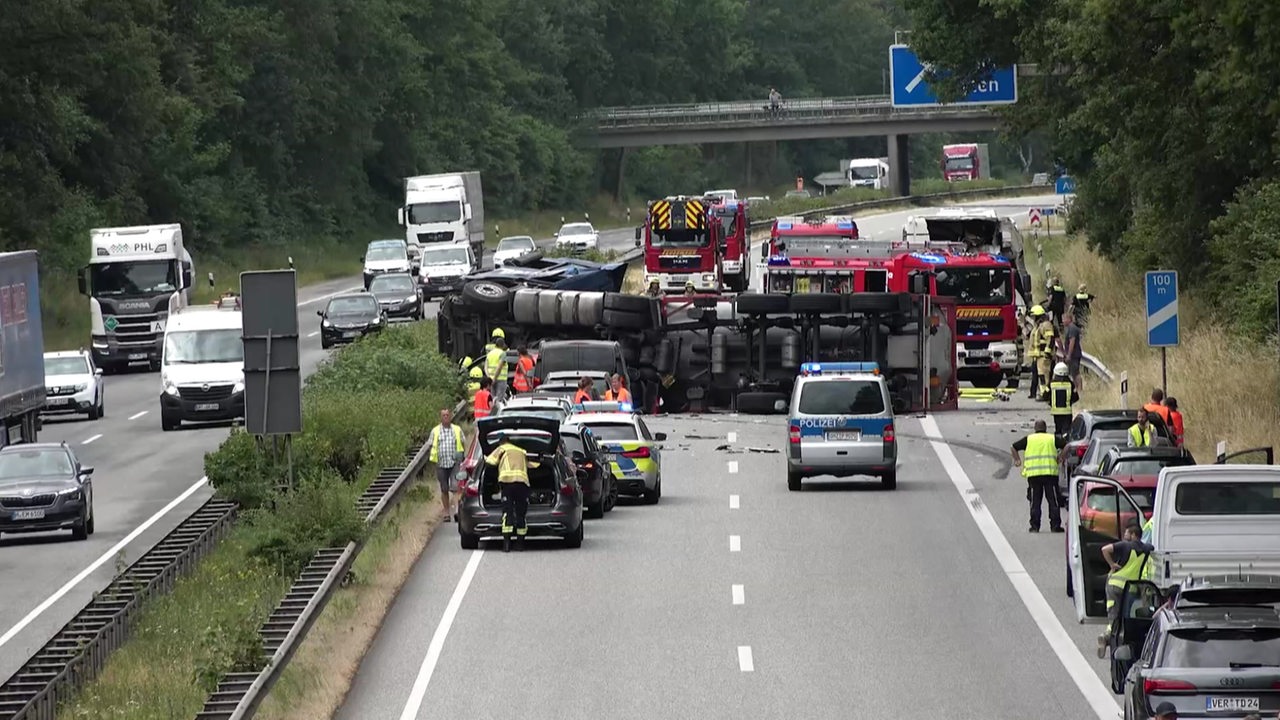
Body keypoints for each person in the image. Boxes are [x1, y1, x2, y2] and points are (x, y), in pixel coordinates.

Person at [1098, 523, 1155, 657]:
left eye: (1127, 533)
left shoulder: (1124, 545)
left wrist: (1112, 564)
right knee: (1125, 617)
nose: (1125, 535)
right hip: (1130, 589)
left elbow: (1104, 549)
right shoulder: (1147, 548)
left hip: (1114, 585)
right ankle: (1111, 639)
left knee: (1113, 616)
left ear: (1134, 535)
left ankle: (1110, 642)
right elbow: (1152, 548)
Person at [484, 429, 540, 552]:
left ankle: (507, 544)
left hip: (507, 483)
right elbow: (533, 465)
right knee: (521, 513)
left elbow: (490, 461)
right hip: (522, 484)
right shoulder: (521, 451)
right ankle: (520, 544)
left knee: (508, 513)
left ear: (501, 442)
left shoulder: (502, 449)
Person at [1011, 419, 1069, 533]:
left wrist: (1017, 460)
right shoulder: (1051, 438)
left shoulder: (1029, 439)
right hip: (1049, 474)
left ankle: (1034, 526)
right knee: (1053, 501)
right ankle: (1055, 526)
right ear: (1045, 428)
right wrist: (1061, 457)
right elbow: (1067, 446)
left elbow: (1013, 447)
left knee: (1035, 502)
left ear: (1035, 428)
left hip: (1034, 476)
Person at [427, 408, 465, 521]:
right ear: (440, 417)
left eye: (447, 415)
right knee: (444, 489)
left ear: (451, 416)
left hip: (455, 463)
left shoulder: (457, 430)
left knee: (456, 487)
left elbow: (463, 442)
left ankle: (458, 511)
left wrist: (462, 458)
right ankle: (446, 512)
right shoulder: (435, 431)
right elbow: (430, 445)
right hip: (441, 464)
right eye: (443, 415)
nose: (446, 417)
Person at [1048, 362, 1079, 436]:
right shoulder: (1071, 384)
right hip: (1067, 412)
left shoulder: (1051, 383)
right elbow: (1076, 397)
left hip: (1056, 412)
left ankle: (1058, 443)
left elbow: (1045, 395)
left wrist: (1051, 403)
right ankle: (1066, 444)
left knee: (1058, 429)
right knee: (1067, 430)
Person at [1026, 305, 1049, 399]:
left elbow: (1049, 340)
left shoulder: (1044, 326)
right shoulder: (1036, 326)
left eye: (1034, 316)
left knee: (1042, 376)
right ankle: (1033, 393)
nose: (1033, 318)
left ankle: (1045, 394)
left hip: (1042, 355)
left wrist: (1047, 352)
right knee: (1035, 375)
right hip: (1036, 355)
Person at [1062, 312, 1084, 388]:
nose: (1063, 321)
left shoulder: (1072, 329)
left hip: (1074, 354)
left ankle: (1079, 389)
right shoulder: (1070, 328)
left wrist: (1069, 355)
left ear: (1069, 319)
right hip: (1073, 354)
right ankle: (1076, 388)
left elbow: (1072, 342)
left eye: (1064, 319)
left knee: (1075, 373)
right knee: (1073, 373)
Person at [485, 337, 509, 401]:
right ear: (503, 345)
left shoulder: (489, 354)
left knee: (493, 399)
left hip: (491, 380)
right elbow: (499, 367)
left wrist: (489, 378)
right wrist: (495, 378)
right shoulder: (502, 353)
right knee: (499, 400)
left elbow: (485, 367)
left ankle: (494, 411)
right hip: (500, 380)